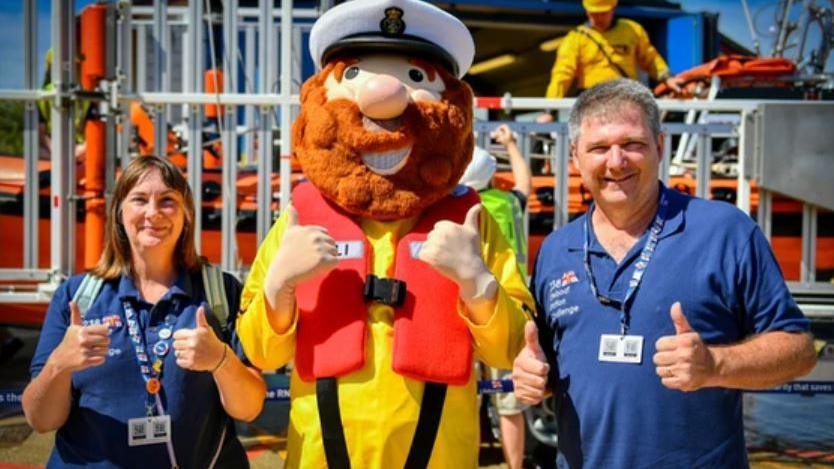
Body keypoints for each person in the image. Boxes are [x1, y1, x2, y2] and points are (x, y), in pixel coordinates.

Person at [235, 1, 534, 467]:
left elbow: (509, 349)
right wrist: (279, 285)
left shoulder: (468, 221)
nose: (384, 94)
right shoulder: (300, 218)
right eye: (355, 75)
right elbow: (260, 352)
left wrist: (478, 283)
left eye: (416, 80)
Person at [512, 79, 817, 468]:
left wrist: (714, 366)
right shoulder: (557, 249)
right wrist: (533, 375)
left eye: (633, 144)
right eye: (599, 148)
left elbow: (799, 350)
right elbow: (558, 364)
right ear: (575, 156)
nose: (616, 161)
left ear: (660, 146)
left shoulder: (724, 231)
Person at [22, 155, 266, 468]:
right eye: (139, 199)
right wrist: (60, 364)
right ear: (119, 213)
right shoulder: (77, 297)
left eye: (167, 201)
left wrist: (220, 360)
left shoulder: (220, 292)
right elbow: (40, 419)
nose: (153, 213)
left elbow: (249, 407)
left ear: (186, 215)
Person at [460, 124, 532, 469]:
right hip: (510, 310)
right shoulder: (508, 202)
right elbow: (524, 185)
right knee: (509, 402)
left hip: (470, 311)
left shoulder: (462, 208)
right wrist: (512, 146)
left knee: (465, 400)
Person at [545, 0, 683, 99]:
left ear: (613, 8)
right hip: (592, 99)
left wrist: (668, 78)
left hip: (626, 97)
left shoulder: (632, 30)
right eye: (594, 13)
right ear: (587, 11)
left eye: (603, 13)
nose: (598, 17)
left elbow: (650, 58)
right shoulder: (575, 38)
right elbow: (562, 75)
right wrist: (549, 110)